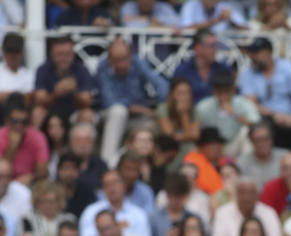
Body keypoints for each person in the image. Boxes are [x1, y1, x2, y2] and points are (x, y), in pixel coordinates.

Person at [96, 37, 169, 170]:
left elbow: (162, 86)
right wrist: (135, 107)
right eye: (117, 60)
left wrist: (159, 108)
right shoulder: (102, 67)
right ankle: (106, 165)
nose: (122, 64)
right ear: (109, 60)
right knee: (119, 111)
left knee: (156, 121)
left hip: (138, 117)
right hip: (110, 115)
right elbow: (109, 101)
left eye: (125, 58)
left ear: (130, 56)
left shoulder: (137, 62)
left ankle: (153, 167)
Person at [239, 37, 291, 150]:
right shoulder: (248, 73)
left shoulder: (286, 67)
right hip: (265, 116)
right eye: (251, 53)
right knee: (260, 127)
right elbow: (250, 103)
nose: (253, 57)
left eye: (257, 53)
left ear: (269, 53)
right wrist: (273, 115)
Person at [33, 35, 96, 131]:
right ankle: (36, 145)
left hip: (74, 112)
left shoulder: (82, 69)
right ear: (52, 54)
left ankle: (84, 145)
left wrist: (74, 91)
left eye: (67, 54)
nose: (64, 58)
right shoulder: (43, 69)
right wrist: (55, 93)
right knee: (37, 112)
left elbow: (87, 102)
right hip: (51, 110)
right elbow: (39, 100)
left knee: (87, 114)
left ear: (73, 54)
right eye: (59, 54)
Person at [212, 177, 283, 236]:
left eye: (251, 193)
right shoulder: (223, 213)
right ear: (236, 194)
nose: (247, 197)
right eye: (242, 192)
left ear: (257, 195)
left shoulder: (269, 213)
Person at [194, 68, 259, 159]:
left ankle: (244, 166)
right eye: (220, 92)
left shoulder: (243, 103)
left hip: (235, 144)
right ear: (214, 91)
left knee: (247, 131)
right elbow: (195, 130)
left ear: (233, 90)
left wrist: (235, 114)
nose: (223, 96)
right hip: (214, 145)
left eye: (227, 91)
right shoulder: (203, 106)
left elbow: (256, 126)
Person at [173, 30, 232, 105]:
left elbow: (233, 96)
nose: (215, 49)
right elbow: (173, 99)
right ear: (197, 47)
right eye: (211, 45)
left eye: (216, 45)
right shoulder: (182, 70)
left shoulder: (224, 69)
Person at [0, 97, 49, 184]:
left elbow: (42, 171)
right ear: (7, 121)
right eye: (15, 121)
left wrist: (31, 177)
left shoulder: (37, 136)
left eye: (24, 122)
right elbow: (2, 170)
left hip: (29, 184)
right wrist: (12, 147)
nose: (19, 125)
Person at [237, 122, 285, 190]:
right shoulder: (241, 163)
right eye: (258, 140)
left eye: (266, 138)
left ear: (272, 139)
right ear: (251, 141)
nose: (262, 143)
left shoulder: (285, 158)